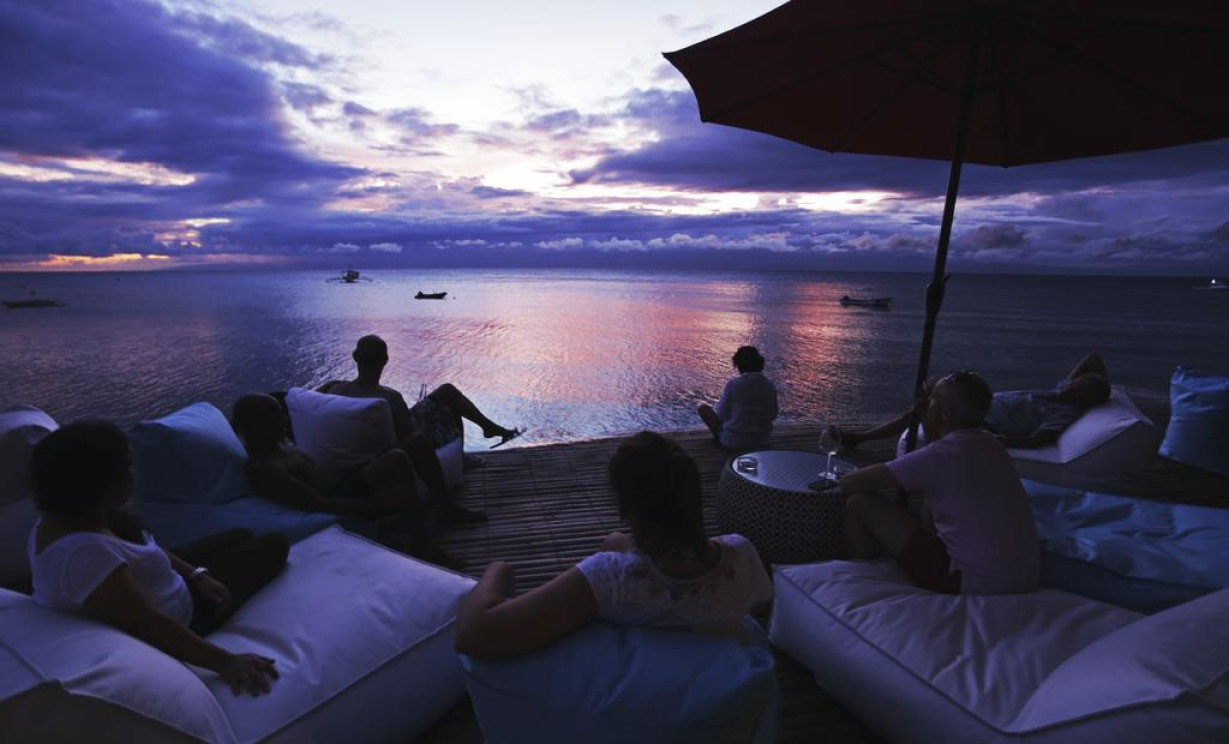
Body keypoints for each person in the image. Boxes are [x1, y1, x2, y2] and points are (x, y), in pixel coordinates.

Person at [454, 431, 773, 660]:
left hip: (651, 704)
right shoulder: (742, 553)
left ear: (626, 507)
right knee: (614, 541)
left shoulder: (610, 579)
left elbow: (473, 635)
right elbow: (760, 601)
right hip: (718, 696)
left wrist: (497, 570)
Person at [27, 421, 288, 696]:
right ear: (102, 482)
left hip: (165, 580)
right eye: (127, 465)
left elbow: (142, 548)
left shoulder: (63, 517)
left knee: (240, 536)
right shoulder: (82, 556)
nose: (133, 472)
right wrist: (227, 662)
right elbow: (148, 623)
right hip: (185, 615)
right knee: (274, 545)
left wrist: (196, 574)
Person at [837, 372, 1039, 595]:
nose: (925, 404)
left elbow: (850, 483)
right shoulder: (992, 446)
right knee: (931, 501)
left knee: (859, 501)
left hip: (967, 579)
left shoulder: (940, 457)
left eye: (932, 399)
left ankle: (861, 576)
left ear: (944, 412)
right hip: (1023, 576)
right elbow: (936, 461)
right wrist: (929, 420)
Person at [231, 393, 460, 567]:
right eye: (276, 416)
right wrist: (378, 504)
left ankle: (446, 507)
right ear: (260, 425)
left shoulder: (277, 444)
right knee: (397, 458)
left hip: (345, 477)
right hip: (342, 493)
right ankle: (420, 544)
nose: (283, 419)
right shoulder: (263, 468)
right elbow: (317, 502)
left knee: (417, 442)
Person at [321, 335, 523, 522]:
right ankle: (453, 486)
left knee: (446, 391)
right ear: (385, 360)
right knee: (449, 406)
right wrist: (424, 422)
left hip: (371, 441)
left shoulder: (335, 389)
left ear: (355, 357)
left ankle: (488, 428)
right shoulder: (389, 398)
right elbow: (412, 439)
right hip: (393, 448)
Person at [834, 352, 1112, 450]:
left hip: (984, 423)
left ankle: (867, 442)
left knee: (922, 410)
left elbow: (1038, 440)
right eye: (1073, 383)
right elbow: (1093, 358)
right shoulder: (1063, 391)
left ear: (1085, 400)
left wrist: (995, 440)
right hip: (978, 406)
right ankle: (860, 439)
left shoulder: (1066, 412)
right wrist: (1100, 387)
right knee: (924, 405)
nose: (1069, 387)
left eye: (1076, 390)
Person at [697, 346, 779, 450]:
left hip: (735, 441)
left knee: (703, 408)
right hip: (762, 441)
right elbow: (773, 414)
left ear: (739, 365)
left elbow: (721, 414)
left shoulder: (734, 384)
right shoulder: (770, 386)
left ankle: (720, 438)